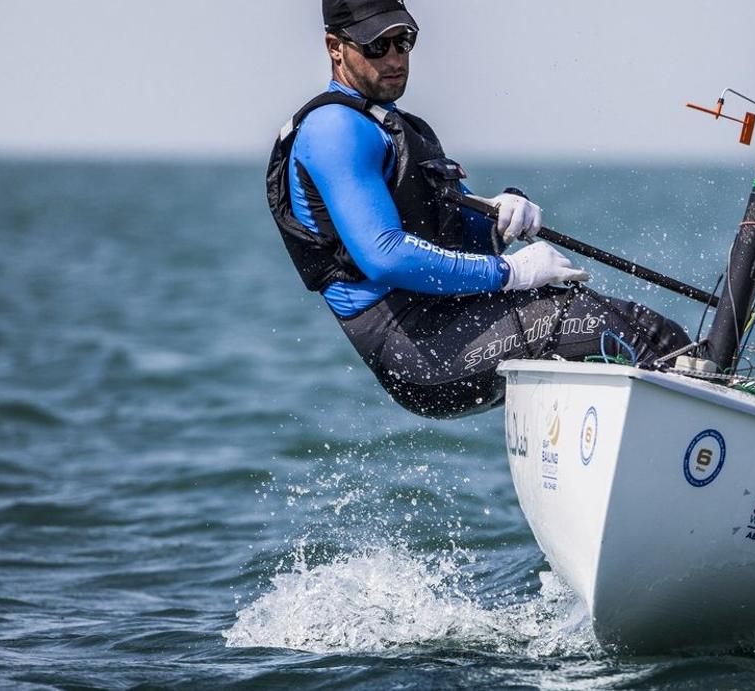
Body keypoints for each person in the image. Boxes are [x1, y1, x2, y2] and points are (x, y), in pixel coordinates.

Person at [267, 0, 691, 418]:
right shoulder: (334, 128)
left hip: (450, 319)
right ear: (334, 47)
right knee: (640, 334)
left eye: (404, 42)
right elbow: (385, 257)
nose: (394, 58)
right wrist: (513, 273)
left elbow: (459, 235)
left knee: (623, 333)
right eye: (377, 47)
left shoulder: (400, 128)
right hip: (415, 348)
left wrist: (500, 219)